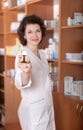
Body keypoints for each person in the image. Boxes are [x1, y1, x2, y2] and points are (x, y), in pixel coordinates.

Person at [14, 14, 56, 130]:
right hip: (33, 110)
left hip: (47, 105)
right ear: (24, 35)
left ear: (42, 33)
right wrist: (26, 73)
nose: (34, 35)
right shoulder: (23, 55)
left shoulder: (42, 54)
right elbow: (20, 82)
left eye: (37, 31)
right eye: (30, 32)